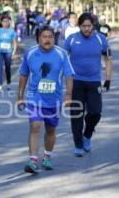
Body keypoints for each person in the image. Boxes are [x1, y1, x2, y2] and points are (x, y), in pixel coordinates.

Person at [17, 25, 74, 174]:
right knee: (35, 126)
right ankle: (33, 160)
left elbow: (69, 75)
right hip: (34, 98)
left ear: (54, 38)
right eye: (44, 37)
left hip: (53, 100)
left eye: (50, 37)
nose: (47, 39)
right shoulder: (30, 53)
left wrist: (68, 95)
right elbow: (23, 74)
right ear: (38, 39)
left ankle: (47, 157)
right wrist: (20, 96)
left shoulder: (62, 54)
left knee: (50, 129)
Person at [64, 13, 113, 157]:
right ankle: (78, 145)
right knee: (76, 115)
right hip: (76, 82)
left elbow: (108, 59)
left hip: (94, 82)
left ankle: (87, 134)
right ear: (79, 26)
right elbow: (61, 58)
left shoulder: (100, 39)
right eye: (84, 26)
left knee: (95, 113)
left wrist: (108, 79)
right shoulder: (71, 40)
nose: (86, 28)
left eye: (89, 26)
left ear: (93, 26)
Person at [0, 16, 17, 92]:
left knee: (7, 68)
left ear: (9, 22)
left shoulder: (11, 31)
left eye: (7, 21)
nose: (5, 23)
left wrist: (13, 53)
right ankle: (0, 85)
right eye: (4, 21)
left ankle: (8, 83)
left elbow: (14, 43)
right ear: (1, 22)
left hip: (8, 52)